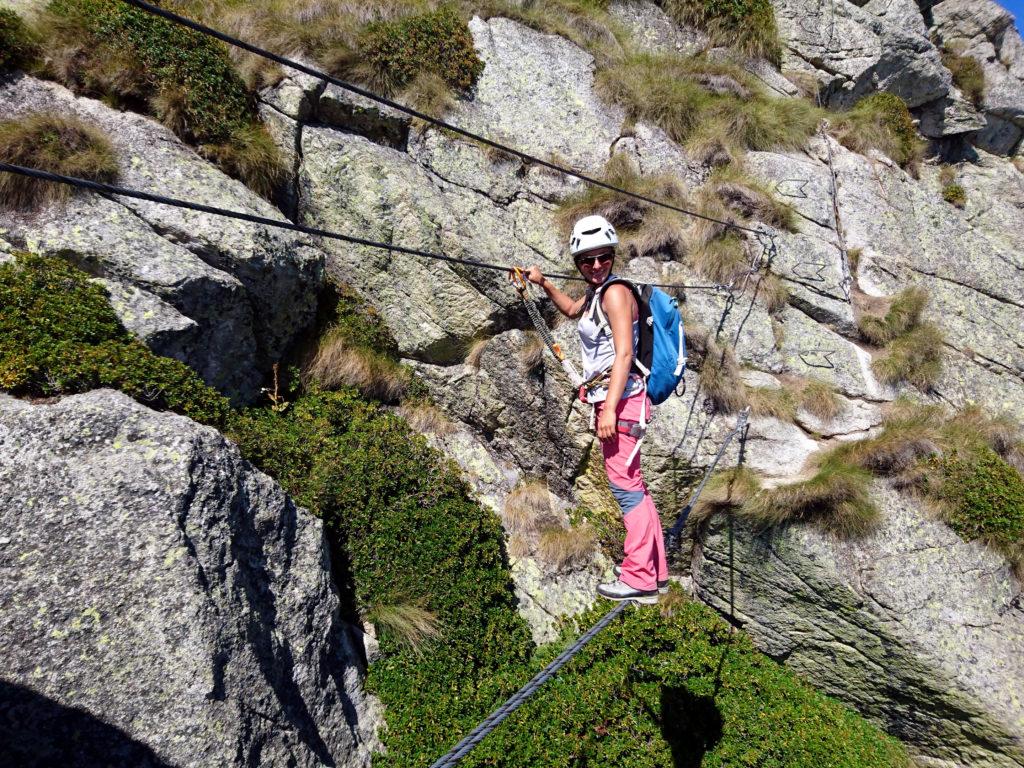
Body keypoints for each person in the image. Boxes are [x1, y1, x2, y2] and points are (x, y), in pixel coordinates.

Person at [524, 214, 668, 604]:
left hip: (620, 402)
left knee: (627, 491)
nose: (595, 265)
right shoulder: (597, 292)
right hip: (616, 400)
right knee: (635, 487)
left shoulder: (615, 293)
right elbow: (573, 311)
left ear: (612, 255)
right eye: (586, 260)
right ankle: (656, 573)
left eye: (602, 257)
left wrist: (608, 411)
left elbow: (624, 354)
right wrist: (543, 284)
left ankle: (638, 577)